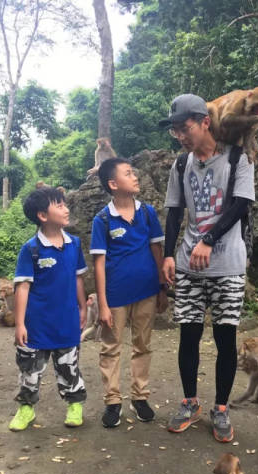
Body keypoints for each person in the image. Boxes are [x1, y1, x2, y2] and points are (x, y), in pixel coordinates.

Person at [159, 94, 255, 443]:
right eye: (175, 131)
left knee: (225, 337)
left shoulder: (236, 158)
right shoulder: (181, 164)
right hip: (188, 266)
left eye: (184, 128)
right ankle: (189, 402)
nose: (181, 136)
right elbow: (173, 212)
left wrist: (208, 239)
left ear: (203, 122)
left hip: (227, 264)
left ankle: (221, 408)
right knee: (188, 334)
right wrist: (169, 255)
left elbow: (241, 205)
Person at [89, 157, 168, 428]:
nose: (135, 177)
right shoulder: (102, 219)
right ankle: (112, 401)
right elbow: (98, 264)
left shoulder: (147, 213)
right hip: (115, 296)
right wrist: (103, 304)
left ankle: (140, 396)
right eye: (128, 173)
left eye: (133, 172)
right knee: (111, 348)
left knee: (142, 345)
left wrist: (162, 288)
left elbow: (157, 250)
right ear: (113, 184)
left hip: (146, 291)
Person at [9, 186, 88, 432]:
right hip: (37, 324)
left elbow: (77, 279)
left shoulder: (74, 244)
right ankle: (26, 409)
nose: (66, 209)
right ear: (43, 216)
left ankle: (75, 406)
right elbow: (22, 287)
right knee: (29, 371)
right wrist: (20, 323)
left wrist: (83, 307)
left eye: (65, 204)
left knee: (69, 367)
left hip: (67, 321)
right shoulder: (31, 249)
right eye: (60, 205)